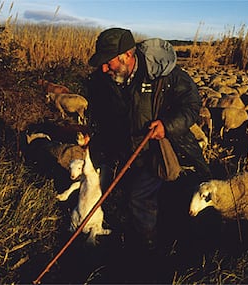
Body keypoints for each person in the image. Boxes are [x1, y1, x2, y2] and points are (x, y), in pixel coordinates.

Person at [87, 27, 211, 251]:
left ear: (127, 55)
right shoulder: (104, 81)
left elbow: (192, 105)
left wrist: (167, 126)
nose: (103, 68)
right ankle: (148, 241)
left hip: (164, 150)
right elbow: (102, 118)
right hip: (128, 153)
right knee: (131, 198)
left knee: (141, 198)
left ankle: (148, 251)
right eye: (102, 63)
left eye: (109, 62)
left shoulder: (166, 75)